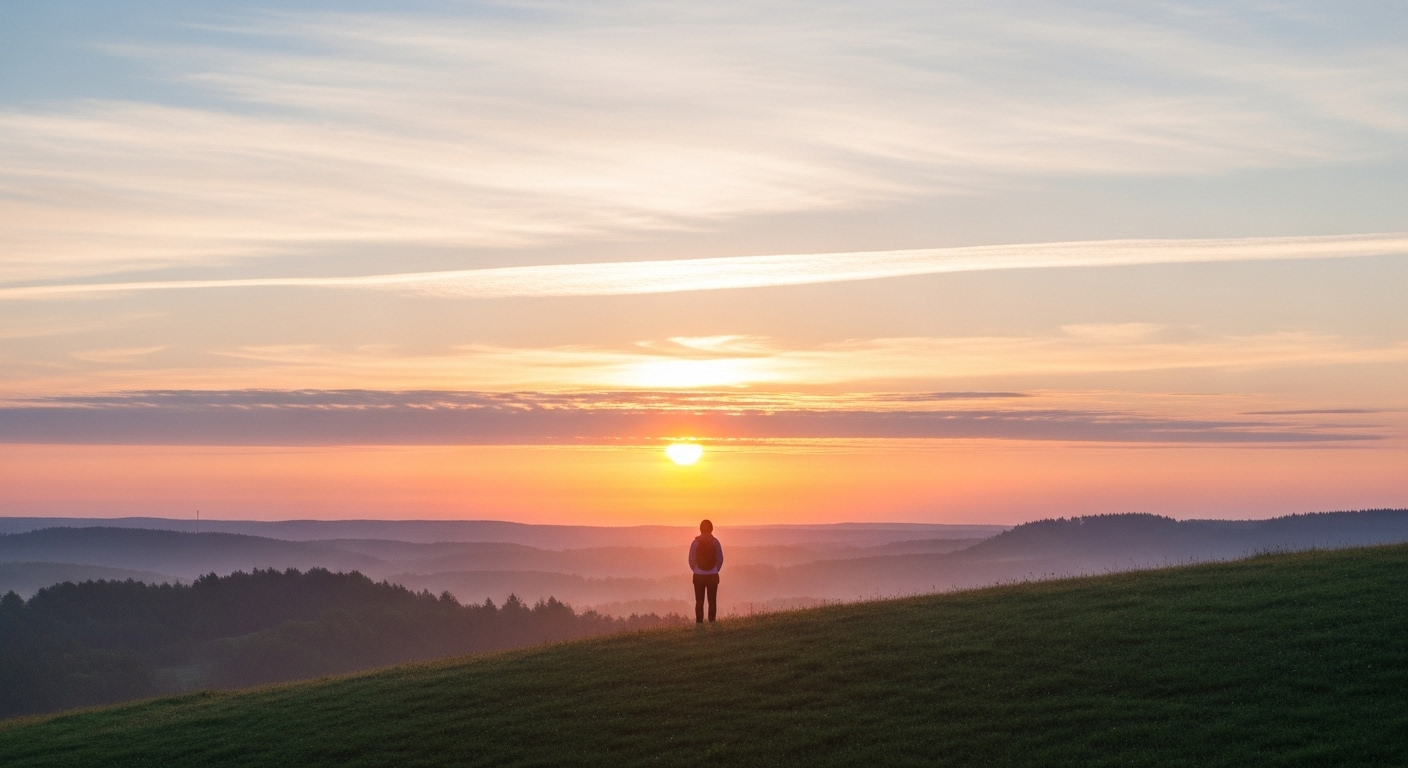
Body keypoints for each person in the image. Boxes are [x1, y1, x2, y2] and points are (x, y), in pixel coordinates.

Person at [688, 519, 723, 624]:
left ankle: (699, 622)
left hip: (698, 576)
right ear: (711, 529)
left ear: (700, 529)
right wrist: (715, 569)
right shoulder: (715, 542)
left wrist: (696, 569)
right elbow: (720, 558)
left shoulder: (695, 543)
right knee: (712, 601)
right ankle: (712, 621)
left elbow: (691, 559)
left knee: (699, 601)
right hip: (713, 575)